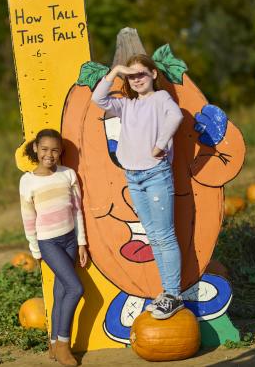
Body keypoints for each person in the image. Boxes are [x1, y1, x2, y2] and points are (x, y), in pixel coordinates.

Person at [91, 54, 184, 319]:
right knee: (153, 235)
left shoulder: (160, 99)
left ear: (154, 74)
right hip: (133, 177)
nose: (137, 79)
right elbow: (97, 100)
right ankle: (167, 294)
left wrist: (161, 143)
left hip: (156, 175)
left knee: (164, 235)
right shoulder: (126, 105)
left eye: (141, 73)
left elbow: (175, 116)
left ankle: (173, 294)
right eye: (131, 76)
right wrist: (115, 71)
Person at [19, 129, 88, 367]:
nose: (50, 154)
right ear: (36, 149)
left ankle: (52, 343)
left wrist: (81, 242)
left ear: (61, 152)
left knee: (61, 292)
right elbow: (28, 219)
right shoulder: (27, 181)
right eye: (45, 149)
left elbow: (78, 210)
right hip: (48, 243)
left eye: (55, 150)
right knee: (75, 288)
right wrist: (35, 251)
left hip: (70, 240)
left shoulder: (68, 174)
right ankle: (63, 345)